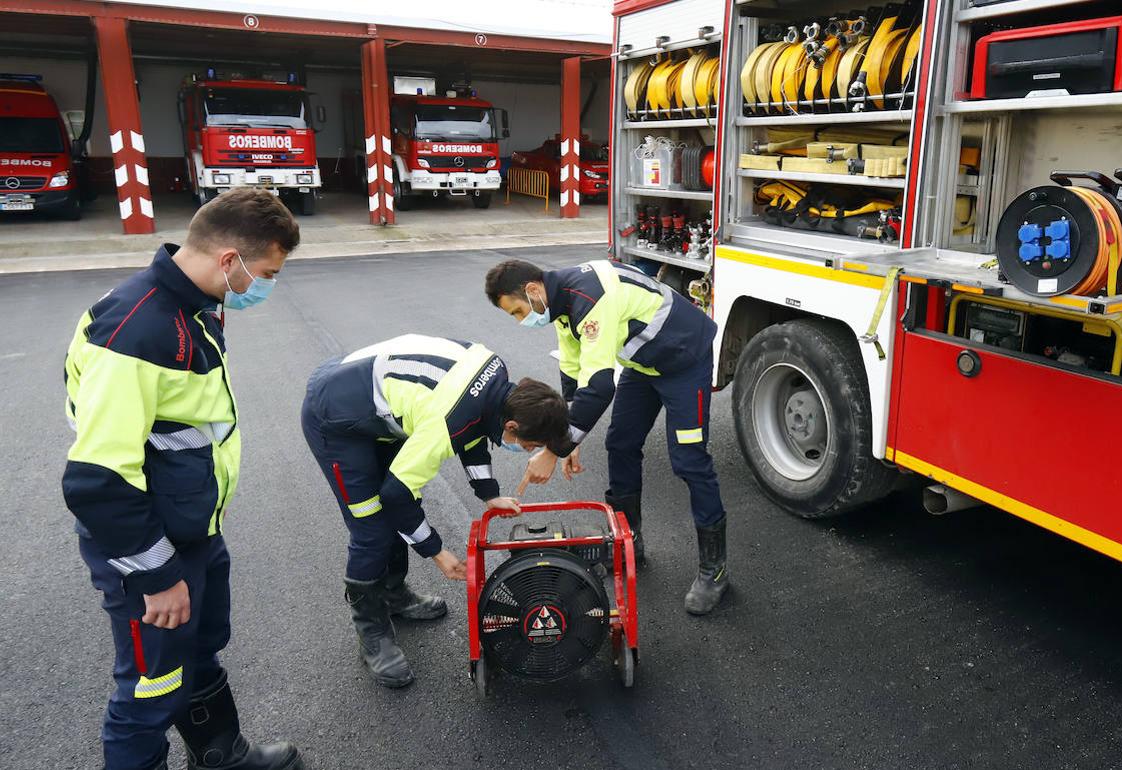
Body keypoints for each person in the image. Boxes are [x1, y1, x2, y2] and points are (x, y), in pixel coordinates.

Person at [62, 188, 303, 770]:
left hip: (190, 526)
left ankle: (221, 754)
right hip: (151, 547)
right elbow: (98, 478)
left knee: (197, 653)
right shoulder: (139, 330)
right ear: (229, 260)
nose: (263, 285)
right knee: (150, 689)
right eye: (265, 272)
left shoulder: (188, 307)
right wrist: (158, 575)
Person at [300, 334, 570, 687]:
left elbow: (474, 432)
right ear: (512, 426)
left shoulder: (497, 384)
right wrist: (437, 551)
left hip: (374, 408)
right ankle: (372, 633)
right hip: (335, 417)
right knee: (373, 528)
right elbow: (399, 495)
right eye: (530, 445)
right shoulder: (447, 420)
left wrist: (489, 494)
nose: (527, 450)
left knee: (393, 508)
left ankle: (394, 594)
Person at [484, 259, 729, 615]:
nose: (522, 320)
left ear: (533, 290)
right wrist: (566, 437)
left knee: (689, 460)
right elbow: (573, 373)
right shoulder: (561, 307)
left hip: (683, 359)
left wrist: (556, 448)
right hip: (642, 363)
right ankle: (630, 544)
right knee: (621, 443)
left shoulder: (588, 297)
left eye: (518, 311)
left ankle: (715, 569)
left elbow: (599, 388)